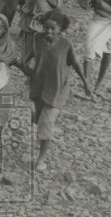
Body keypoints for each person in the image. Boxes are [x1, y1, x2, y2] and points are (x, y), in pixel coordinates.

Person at [25, 10, 90, 173]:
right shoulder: (37, 39)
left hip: (57, 89)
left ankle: (41, 159)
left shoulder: (65, 45)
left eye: (53, 29)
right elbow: (30, 55)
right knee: (38, 119)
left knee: (46, 122)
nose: (48, 31)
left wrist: (85, 83)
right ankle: (41, 133)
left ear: (60, 29)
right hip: (38, 86)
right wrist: (25, 65)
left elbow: (74, 64)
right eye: (46, 27)